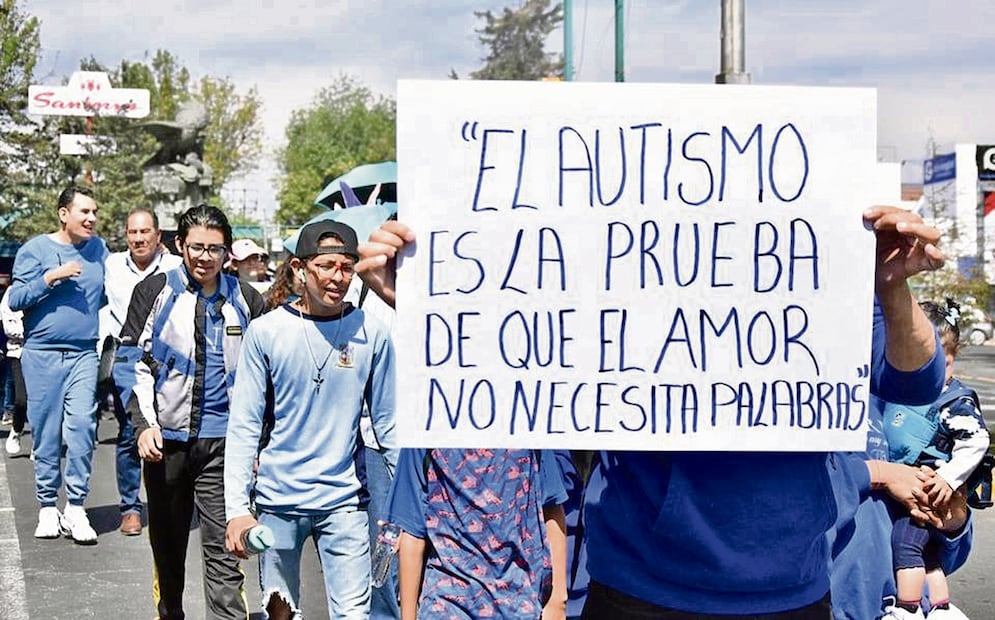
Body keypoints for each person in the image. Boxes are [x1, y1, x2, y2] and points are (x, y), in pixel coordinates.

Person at [355, 206, 948, 618]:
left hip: (791, 590)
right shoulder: (618, 283)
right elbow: (526, 371)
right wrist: (435, 302)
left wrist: (892, 289)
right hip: (639, 586)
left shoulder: (816, 283)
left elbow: (916, 381)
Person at [224, 220, 397, 619]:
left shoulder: (370, 333)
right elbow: (245, 425)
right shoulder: (266, 332)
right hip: (278, 500)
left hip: (345, 502)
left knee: (354, 614)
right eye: (327, 266)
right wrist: (237, 507)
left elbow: (388, 427)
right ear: (301, 269)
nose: (338, 277)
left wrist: (407, 506)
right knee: (280, 612)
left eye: (346, 267)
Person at [118, 204, 265, 620]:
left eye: (215, 249)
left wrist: (260, 442)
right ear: (180, 245)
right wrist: (144, 426)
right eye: (197, 247)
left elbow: (266, 376)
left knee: (226, 550)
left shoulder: (246, 299)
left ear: (228, 252)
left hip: (226, 447)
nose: (205, 257)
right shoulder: (154, 290)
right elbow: (129, 362)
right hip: (167, 446)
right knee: (169, 552)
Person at [6, 185, 108, 544]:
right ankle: (48, 506)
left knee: (82, 426)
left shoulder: (99, 250)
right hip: (42, 353)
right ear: (64, 214)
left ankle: (76, 507)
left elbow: (111, 293)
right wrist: (51, 277)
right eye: (84, 212)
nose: (92, 218)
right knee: (46, 432)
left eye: (95, 212)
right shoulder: (35, 249)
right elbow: (15, 298)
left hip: (83, 353)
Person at [878, 300, 989, 620]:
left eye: (947, 363)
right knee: (926, 554)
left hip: (931, 490)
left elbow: (976, 439)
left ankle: (908, 608)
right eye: (926, 363)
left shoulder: (953, 400)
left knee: (907, 544)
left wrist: (948, 479)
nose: (937, 374)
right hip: (924, 489)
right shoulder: (894, 392)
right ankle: (940, 606)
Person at [388, 448, 569, 620]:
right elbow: (412, 532)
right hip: (447, 603)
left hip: (518, 602)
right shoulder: (426, 426)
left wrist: (557, 600)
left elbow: (551, 506)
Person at [101, 208, 182, 536]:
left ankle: (173, 503)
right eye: (132, 233)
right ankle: (130, 507)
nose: (138, 239)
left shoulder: (176, 266)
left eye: (144, 232)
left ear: (157, 235)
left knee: (172, 433)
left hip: (168, 363)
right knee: (129, 433)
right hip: (129, 360)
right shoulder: (112, 266)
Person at [1, 286, 27, 457]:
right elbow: (10, 329)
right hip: (18, 353)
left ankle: (40, 445)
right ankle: (17, 429)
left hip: (45, 353)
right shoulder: (12, 293)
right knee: (21, 399)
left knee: (42, 402)